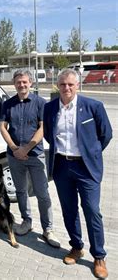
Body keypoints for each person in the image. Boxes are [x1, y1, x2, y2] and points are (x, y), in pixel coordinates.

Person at [43, 69, 112, 279]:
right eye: (63, 85)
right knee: (69, 209)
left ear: (77, 85)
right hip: (62, 165)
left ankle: (98, 256)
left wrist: (91, 153)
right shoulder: (50, 107)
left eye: (71, 85)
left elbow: (106, 134)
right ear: (58, 86)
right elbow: (48, 133)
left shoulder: (93, 106)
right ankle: (76, 246)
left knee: (92, 210)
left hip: (86, 168)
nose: (66, 88)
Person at [0, 69, 60, 248]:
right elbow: (3, 127)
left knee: (42, 193)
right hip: (14, 155)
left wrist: (26, 148)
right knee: (20, 191)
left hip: (35, 155)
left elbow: (42, 128)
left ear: (31, 83)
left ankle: (48, 228)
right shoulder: (8, 104)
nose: (21, 85)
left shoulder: (41, 103)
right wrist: (14, 148)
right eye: (18, 82)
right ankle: (26, 221)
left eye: (25, 82)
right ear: (14, 83)